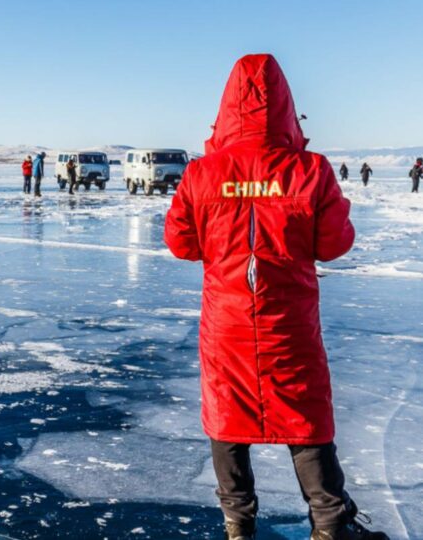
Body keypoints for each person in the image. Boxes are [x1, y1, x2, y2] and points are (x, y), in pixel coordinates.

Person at [165, 54, 388, 540]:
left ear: (224, 110)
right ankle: (330, 525)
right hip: (288, 323)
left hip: (226, 323)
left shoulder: (203, 173)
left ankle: (237, 527)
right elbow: (333, 244)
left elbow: (181, 244)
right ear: (288, 106)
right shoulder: (309, 170)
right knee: (304, 418)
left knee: (228, 418)